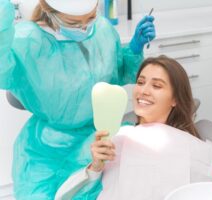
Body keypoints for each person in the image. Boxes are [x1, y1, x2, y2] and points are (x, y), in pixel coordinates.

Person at [0, 0, 155, 199]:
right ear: (51, 13)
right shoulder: (27, 41)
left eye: (90, 18)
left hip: (97, 137)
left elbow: (118, 73)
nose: (84, 28)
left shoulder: (102, 31)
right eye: (74, 23)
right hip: (47, 150)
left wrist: (134, 48)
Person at [55, 55, 212, 200]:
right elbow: (71, 195)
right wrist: (95, 168)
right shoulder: (114, 139)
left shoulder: (194, 150)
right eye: (140, 82)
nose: (143, 90)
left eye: (157, 86)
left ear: (175, 99)